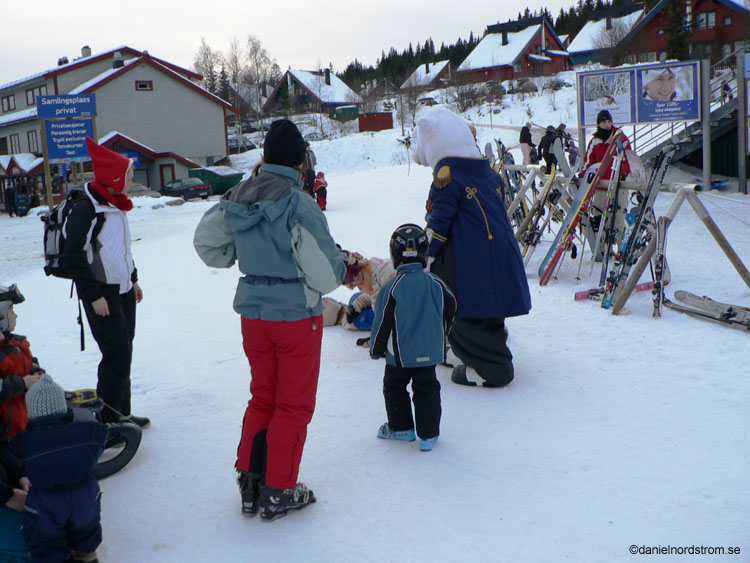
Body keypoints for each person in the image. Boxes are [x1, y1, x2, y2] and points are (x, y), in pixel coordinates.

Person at [193, 119, 346, 521]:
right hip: (295, 317)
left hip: (253, 315)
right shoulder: (299, 203)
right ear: (300, 163)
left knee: (264, 396)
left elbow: (207, 243)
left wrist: (239, 256)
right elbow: (327, 274)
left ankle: (251, 483)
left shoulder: (240, 194)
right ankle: (279, 489)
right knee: (293, 405)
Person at [413, 107, 531, 388]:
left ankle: (490, 367)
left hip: (471, 262)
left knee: (453, 297)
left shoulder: (448, 175)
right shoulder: (486, 173)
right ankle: (466, 351)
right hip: (498, 257)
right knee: (487, 312)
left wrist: (423, 254)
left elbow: (439, 223)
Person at [63, 138, 148, 428]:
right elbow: (72, 255)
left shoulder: (116, 205)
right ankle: (109, 425)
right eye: (128, 175)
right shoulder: (88, 209)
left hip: (122, 291)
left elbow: (120, 250)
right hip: (101, 295)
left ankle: (121, 413)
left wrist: (132, 280)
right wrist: (92, 295)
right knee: (115, 356)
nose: (131, 180)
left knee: (125, 352)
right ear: (114, 177)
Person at [370, 224, 456, 452]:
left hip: (399, 355)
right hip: (429, 351)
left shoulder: (391, 288)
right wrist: (441, 333)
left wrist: (376, 349)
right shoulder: (436, 284)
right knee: (427, 387)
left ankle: (402, 428)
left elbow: (382, 322)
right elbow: (451, 306)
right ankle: (428, 435)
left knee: (394, 386)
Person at [11, 375, 107, 563]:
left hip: (47, 500)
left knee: (46, 540)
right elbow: (101, 439)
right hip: (84, 494)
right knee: (86, 531)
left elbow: (15, 456)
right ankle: (86, 556)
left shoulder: (24, 443)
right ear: (63, 407)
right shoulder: (88, 432)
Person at [0, 284, 40, 562]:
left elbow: (30, 362)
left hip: (19, 425)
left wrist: (36, 374)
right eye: (12, 310)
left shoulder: (16, 343)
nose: (16, 315)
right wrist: (21, 383)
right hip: (8, 423)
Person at [580, 109, 633, 253]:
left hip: (618, 183)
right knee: (599, 217)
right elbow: (589, 161)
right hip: (601, 186)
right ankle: (602, 248)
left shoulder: (619, 138)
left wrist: (623, 172)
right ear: (599, 124)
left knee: (618, 218)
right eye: (604, 122)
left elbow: (628, 157)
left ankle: (622, 250)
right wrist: (584, 175)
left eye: (609, 121)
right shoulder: (595, 141)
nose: (607, 125)